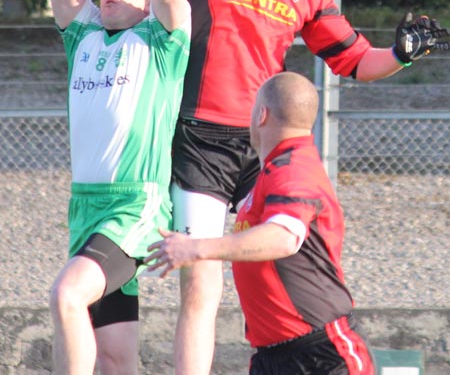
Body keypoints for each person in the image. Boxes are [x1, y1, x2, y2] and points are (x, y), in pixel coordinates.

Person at [90, 0, 448, 374]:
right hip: (201, 138)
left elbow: (355, 59)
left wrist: (405, 56)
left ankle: (320, 350)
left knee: (294, 251)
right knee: (201, 282)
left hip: (264, 145)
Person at [43, 0, 191, 375]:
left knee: (65, 296)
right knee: (115, 357)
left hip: (135, 206)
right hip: (86, 205)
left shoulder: (159, 40)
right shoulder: (82, 36)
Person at [146, 71, 376, 374]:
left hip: (322, 356)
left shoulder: (293, 169)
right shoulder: (275, 169)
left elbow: (283, 237)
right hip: (276, 356)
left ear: (261, 115)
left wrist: (197, 248)